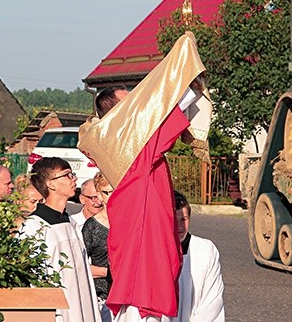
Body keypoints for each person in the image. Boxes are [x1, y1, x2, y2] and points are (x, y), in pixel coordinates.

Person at [78, 32, 212, 321]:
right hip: (143, 249)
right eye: (131, 104)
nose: (139, 108)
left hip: (144, 238)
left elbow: (159, 120)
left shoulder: (128, 142)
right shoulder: (125, 145)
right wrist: (185, 68)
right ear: (116, 115)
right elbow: (163, 124)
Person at [20, 157, 100, 322]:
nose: (74, 179)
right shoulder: (35, 227)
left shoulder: (70, 222)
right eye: (67, 175)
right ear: (51, 184)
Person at [170, 191, 224, 322]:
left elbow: (212, 300)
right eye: (174, 221)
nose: (180, 226)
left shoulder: (205, 250)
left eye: (184, 219)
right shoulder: (157, 252)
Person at [82, 173, 114, 321]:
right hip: (102, 297)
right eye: (108, 192)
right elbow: (80, 265)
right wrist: (108, 272)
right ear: (100, 195)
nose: (113, 195)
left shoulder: (131, 222)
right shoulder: (92, 227)